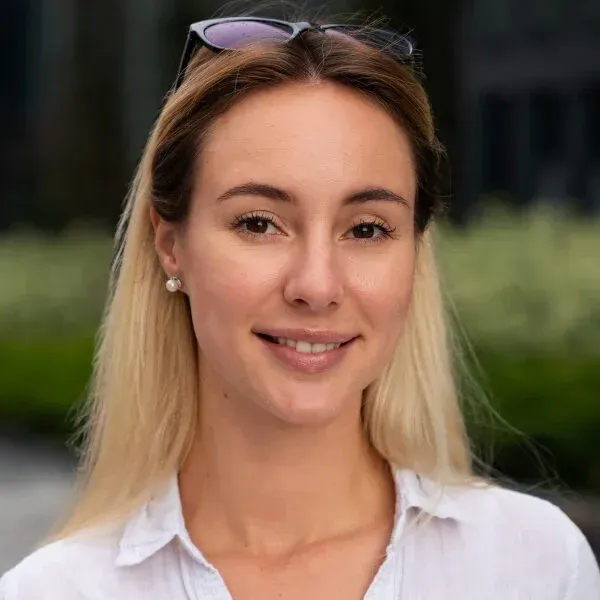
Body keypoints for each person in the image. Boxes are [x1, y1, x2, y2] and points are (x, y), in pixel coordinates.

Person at [1, 14, 599, 600]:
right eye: (259, 223)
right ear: (170, 244)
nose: (317, 285)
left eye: (366, 229)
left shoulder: (535, 566)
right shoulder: (56, 591)